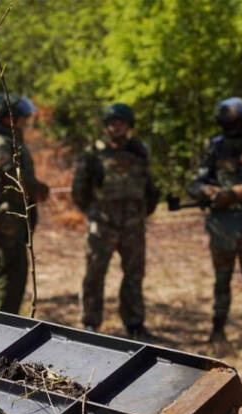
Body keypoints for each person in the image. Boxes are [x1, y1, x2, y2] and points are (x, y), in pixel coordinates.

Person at [188, 97, 242, 342]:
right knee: (221, 279)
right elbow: (195, 184)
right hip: (221, 226)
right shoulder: (215, 147)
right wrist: (210, 193)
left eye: (231, 118)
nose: (227, 123)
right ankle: (218, 328)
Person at [71, 103, 160, 339]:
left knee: (134, 275)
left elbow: (150, 186)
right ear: (106, 125)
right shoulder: (93, 153)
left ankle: (134, 323)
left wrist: (143, 212)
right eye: (112, 123)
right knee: (94, 274)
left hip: (133, 225)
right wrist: (94, 213)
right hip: (102, 225)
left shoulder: (139, 151)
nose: (116, 127)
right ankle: (90, 323)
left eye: (121, 123)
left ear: (129, 125)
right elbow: (79, 189)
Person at [0, 93, 49, 313]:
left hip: (15, 214)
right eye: (21, 117)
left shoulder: (8, 138)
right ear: (8, 118)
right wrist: (37, 187)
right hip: (6, 217)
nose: (24, 122)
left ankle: (8, 320)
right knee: (9, 274)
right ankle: (0, 324)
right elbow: (9, 174)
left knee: (17, 272)